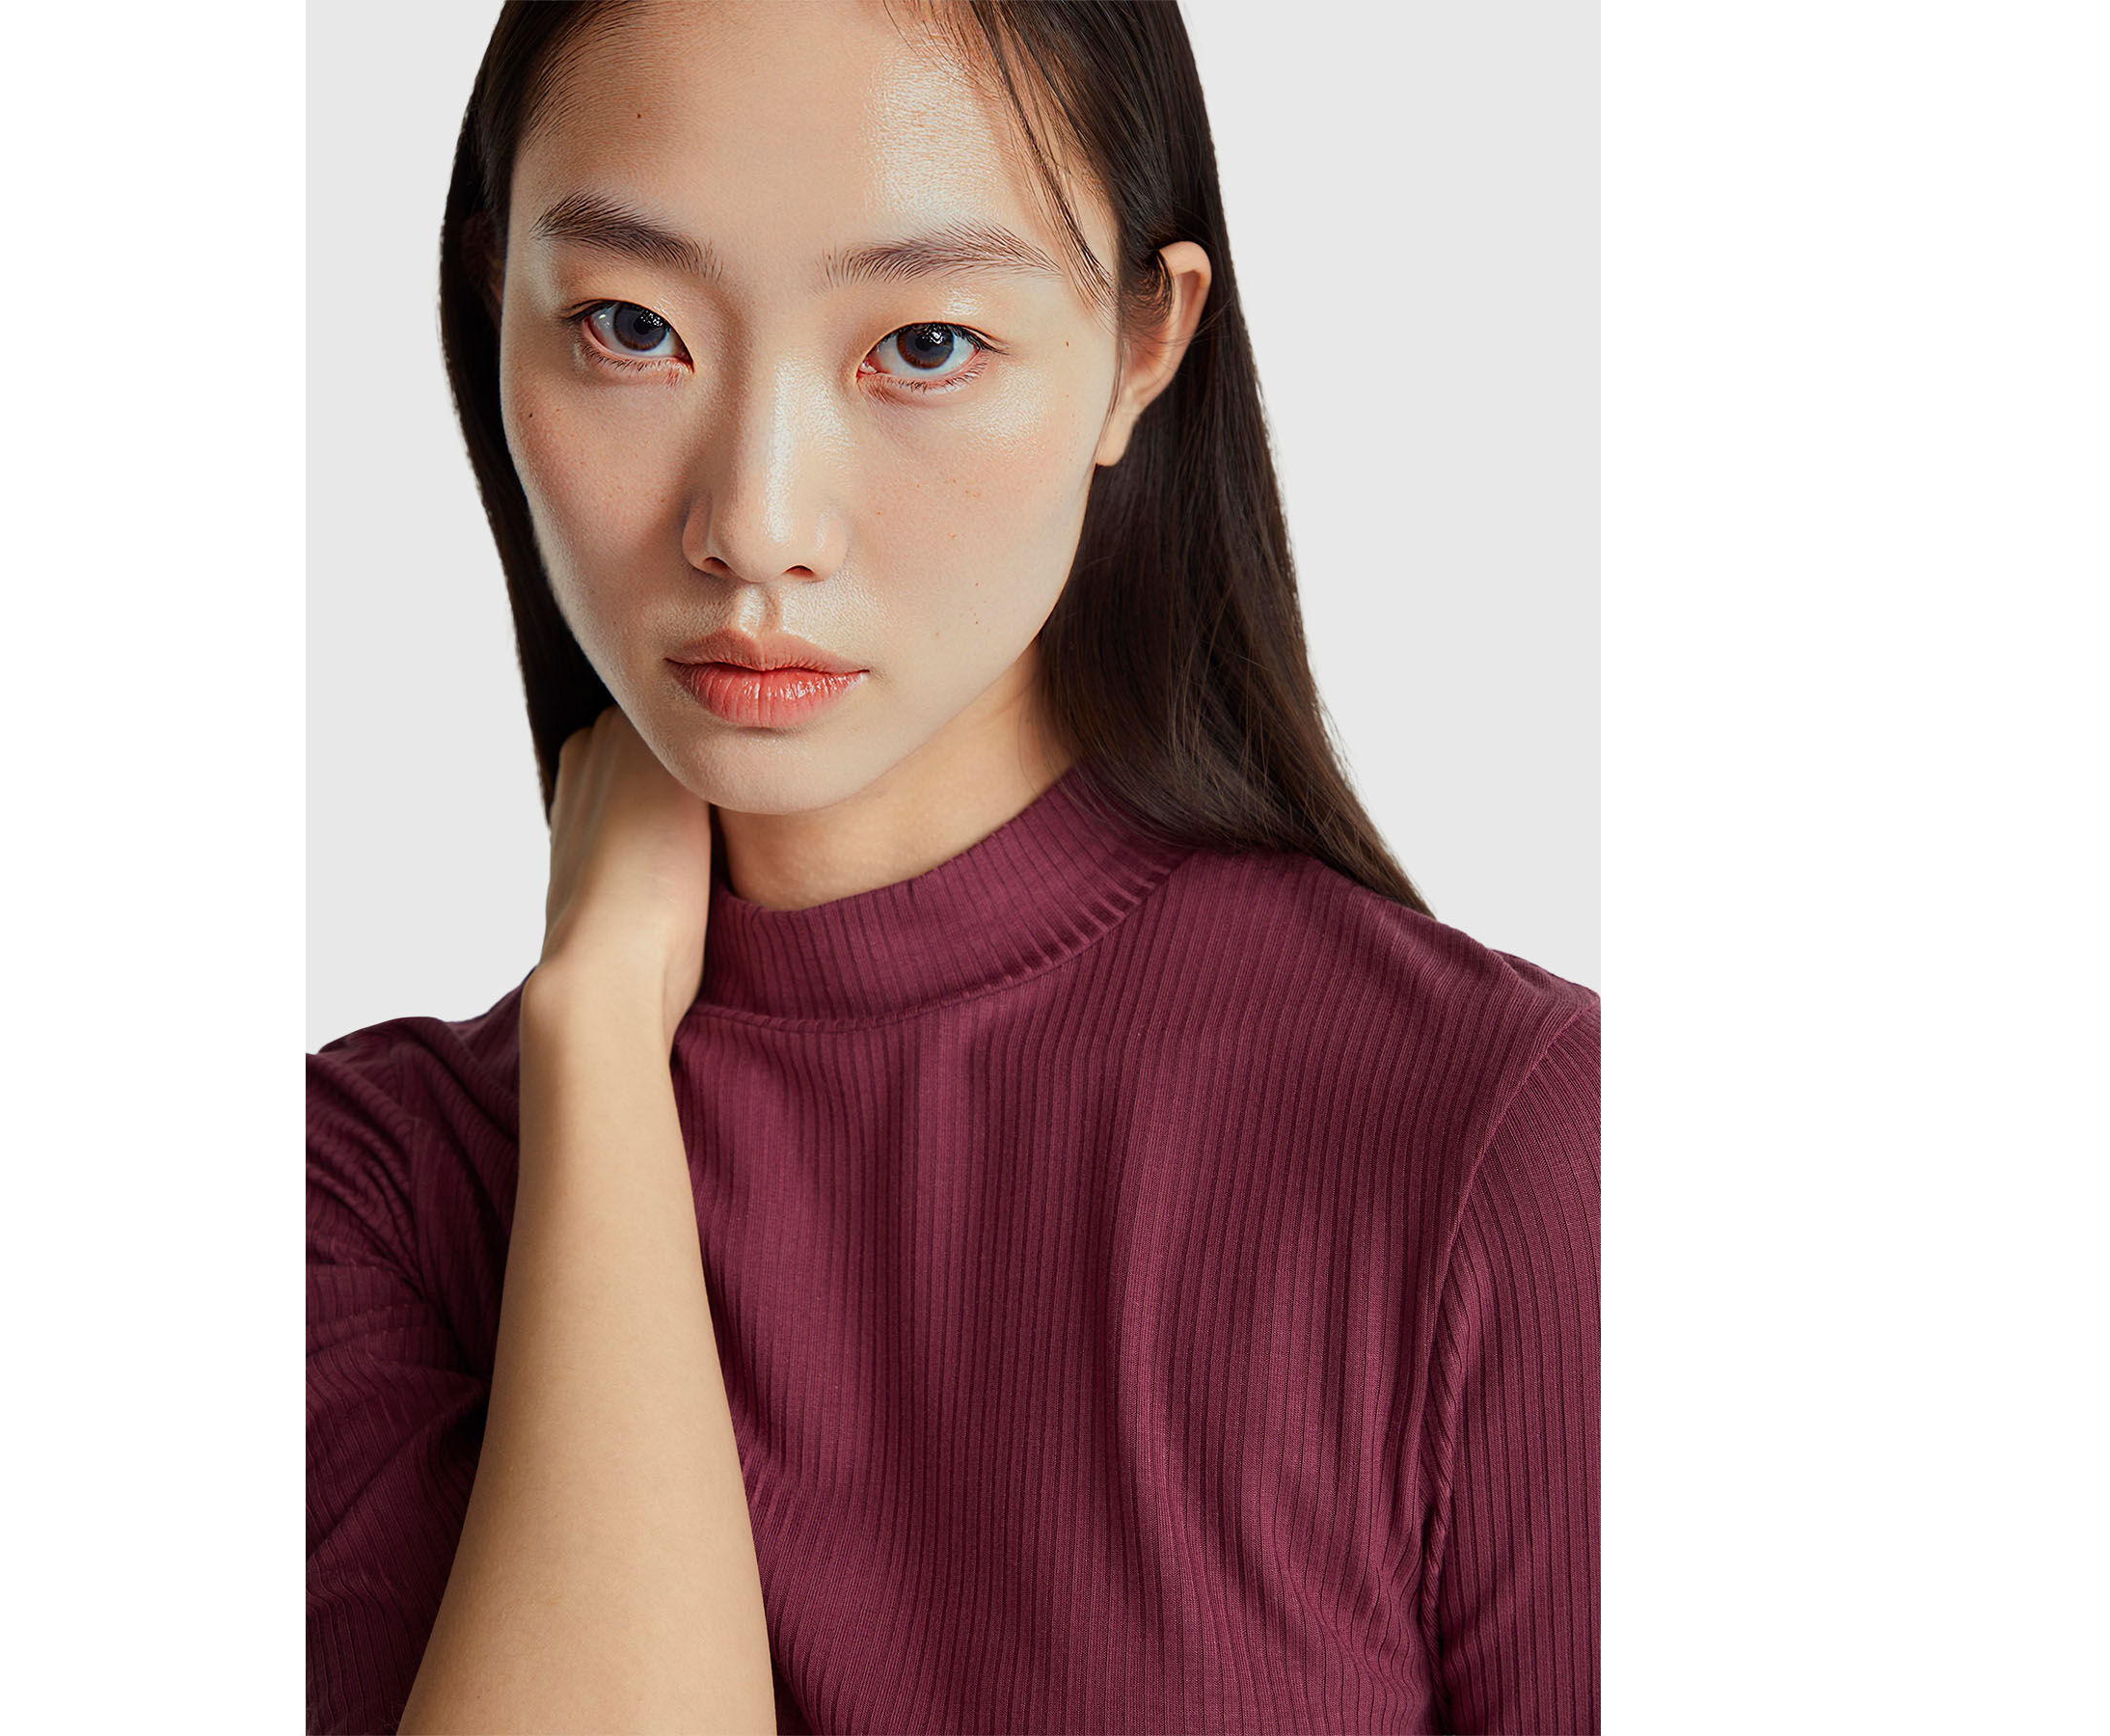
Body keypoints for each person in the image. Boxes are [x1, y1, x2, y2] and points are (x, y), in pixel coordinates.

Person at [308, 1, 1598, 1730]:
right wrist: (599, 1043)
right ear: (495, 314)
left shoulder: (1496, 1153)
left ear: (1143, 345)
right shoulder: (356, 1209)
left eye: (923, 344)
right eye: (630, 327)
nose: (757, 523)